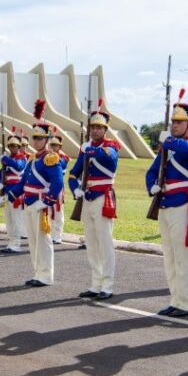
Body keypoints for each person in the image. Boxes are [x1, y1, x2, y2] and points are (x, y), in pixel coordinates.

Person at [146, 89, 188, 318]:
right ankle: (176, 299)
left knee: (184, 257)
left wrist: (169, 141)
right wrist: (152, 185)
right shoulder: (168, 148)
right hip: (165, 203)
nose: (175, 125)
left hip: (184, 204)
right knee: (170, 257)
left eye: (180, 122)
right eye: (173, 122)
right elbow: (152, 171)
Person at [70, 100, 121, 300]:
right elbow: (74, 174)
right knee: (91, 243)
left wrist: (87, 149)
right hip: (87, 198)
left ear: (105, 129)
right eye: (93, 126)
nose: (95, 130)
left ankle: (107, 285)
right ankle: (95, 283)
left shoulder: (111, 146)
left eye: (99, 127)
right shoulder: (86, 148)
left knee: (105, 243)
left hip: (103, 197)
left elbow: (108, 159)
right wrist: (75, 190)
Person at [20, 100, 64, 286]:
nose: (36, 141)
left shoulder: (50, 157)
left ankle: (45, 275)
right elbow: (23, 181)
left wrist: (47, 201)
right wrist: (11, 194)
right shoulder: (32, 158)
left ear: (46, 140)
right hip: (29, 202)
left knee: (43, 241)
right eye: (34, 138)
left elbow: (58, 182)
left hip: (40, 203)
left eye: (39, 138)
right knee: (32, 241)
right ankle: (38, 272)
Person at [0, 129, 28, 255]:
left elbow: (18, 166)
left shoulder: (22, 158)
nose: (12, 148)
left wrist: (5, 159)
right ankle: (10, 242)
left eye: (14, 146)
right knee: (9, 220)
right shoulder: (7, 159)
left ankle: (16, 244)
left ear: (19, 147)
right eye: (10, 146)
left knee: (16, 220)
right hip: (6, 192)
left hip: (16, 194)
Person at [48, 134, 70, 245]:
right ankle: (49, 234)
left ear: (59, 146)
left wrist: (50, 155)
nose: (53, 147)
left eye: (55, 145)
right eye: (52, 145)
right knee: (48, 211)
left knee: (58, 212)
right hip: (47, 186)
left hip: (58, 187)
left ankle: (57, 236)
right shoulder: (47, 155)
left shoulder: (63, 157)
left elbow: (60, 164)